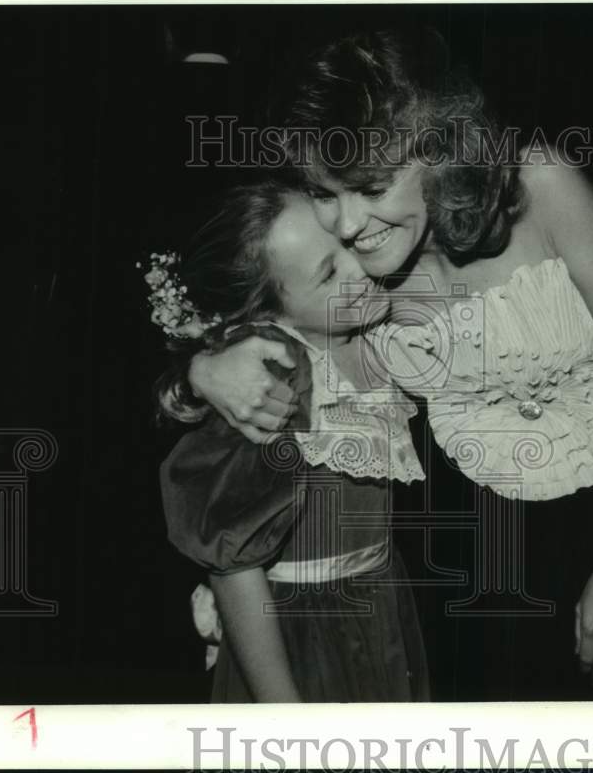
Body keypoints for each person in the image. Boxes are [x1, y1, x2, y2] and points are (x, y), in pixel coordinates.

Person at [185, 30, 593, 692]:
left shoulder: (540, 185)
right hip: (434, 581)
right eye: (327, 191)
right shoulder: (353, 267)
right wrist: (207, 365)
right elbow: (239, 292)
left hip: (591, 542)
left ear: (440, 151)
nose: (349, 222)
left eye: (374, 187)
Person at [149, 178, 430, 702]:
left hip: (379, 610)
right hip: (301, 638)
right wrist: (285, 714)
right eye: (328, 273)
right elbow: (234, 566)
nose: (357, 269)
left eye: (346, 246)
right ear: (268, 314)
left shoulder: (369, 326)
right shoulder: (275, 374)